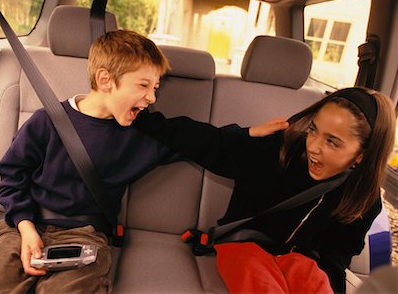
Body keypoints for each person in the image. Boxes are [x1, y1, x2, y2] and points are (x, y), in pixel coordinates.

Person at [0, 29, 177, 293]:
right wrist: (26, 228)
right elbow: (12, 177)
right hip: (24, 225)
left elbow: (203, 140)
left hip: (84, 233)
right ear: (105, 80)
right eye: (144, 85)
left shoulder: (140, 135)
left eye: (155, 88)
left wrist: (242, 136)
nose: (152, 98)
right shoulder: (46, 122)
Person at [133, 87, 396, 293]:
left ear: (362, 155)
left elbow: (337, 254)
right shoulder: (278, 150)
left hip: (299, 260)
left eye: (332, 142)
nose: (313, 146)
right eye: (313, 131)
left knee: (315, 277)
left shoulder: (363, 199)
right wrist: (142, 119)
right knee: (257, 277)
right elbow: (208, 142)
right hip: (244, 245)